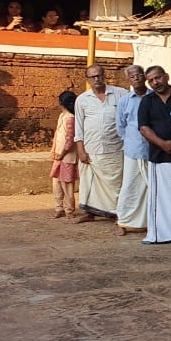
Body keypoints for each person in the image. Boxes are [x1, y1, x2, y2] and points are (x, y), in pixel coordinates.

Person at [73, 65, 127, 223]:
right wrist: (80, 150)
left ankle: (119, 214)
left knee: (116, 184)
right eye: (92, 77)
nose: (96, 79)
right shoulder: (82, 100)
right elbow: (79, 126)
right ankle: (90, 213)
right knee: (90, 184)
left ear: (105, 76)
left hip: (115, 148)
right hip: (91, 149)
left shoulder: (120, 94)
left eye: (99, 75)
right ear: (87, 80)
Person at [138, 66, 171, 245]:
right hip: (159, 156)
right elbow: (143, 127)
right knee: (160, 198)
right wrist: (163, 144)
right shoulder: (147, 101)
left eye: (158, 78)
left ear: (166, 76)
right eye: (151, 80)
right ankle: (161, 234)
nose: (156, 82)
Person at [114, 65, 150, 236]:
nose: (136, 79)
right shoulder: (125, 101)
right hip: (133, 150)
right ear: (128, 80)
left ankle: (149, 222)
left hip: (153, 150)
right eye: (132, 77)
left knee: (151, 188)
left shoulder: (154, 97)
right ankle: (123, 221)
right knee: (130, 186)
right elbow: (121, 126)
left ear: (145, 77)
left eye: (139, 75)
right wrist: (132, 140)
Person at [50, 91, 79, 219]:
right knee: (56, 182)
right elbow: (57, 135)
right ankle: (59, 207)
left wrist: (61, 153)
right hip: (59, 155)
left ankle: (69, 209)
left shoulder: (71, 118)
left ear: (61, 103)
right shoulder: (62, 116)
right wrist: (54, 150)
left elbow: (70, 140)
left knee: (67, 184)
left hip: (67, 156)